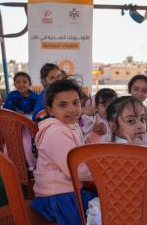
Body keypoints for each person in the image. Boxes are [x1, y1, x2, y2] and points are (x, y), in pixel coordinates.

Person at [87, 96, 147, 224]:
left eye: (142, 119)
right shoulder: (114, 152)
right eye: (131, 121)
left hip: (116, 213)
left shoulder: (111, 146)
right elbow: (124, 186)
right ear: (113, 126)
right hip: (134, 215)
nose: (140, 126)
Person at [31, 79, 95, 225]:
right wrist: (105, 172)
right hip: (57, 197)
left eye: (75, 102)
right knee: (100, 210)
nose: (72, 109)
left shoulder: (69, 125)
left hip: (66, 189)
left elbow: (83, 151)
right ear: (51, 110)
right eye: (62, 105)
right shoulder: (56, 132)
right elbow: (76, 170)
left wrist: (95, 135)